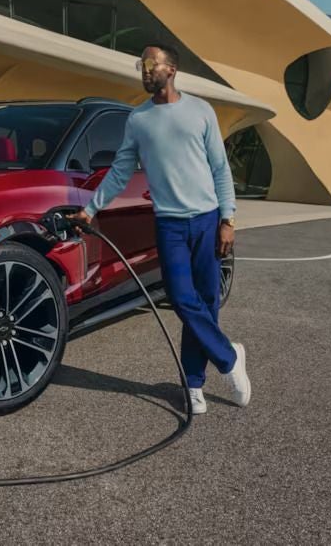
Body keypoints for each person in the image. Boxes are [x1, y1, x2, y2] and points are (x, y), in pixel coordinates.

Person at [71, 44, 251, 414]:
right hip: (169, 223)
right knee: (181, 299)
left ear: (171, 70)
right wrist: (90, 210)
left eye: (151, 63)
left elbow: (220, 168)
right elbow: (120, 171)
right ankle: (229, 358)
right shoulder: (138, 120)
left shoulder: (201, 111)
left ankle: (194, 382)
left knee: (206, 303)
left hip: (206, 218)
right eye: (141, 64)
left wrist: (228, 219)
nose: (144, 69)